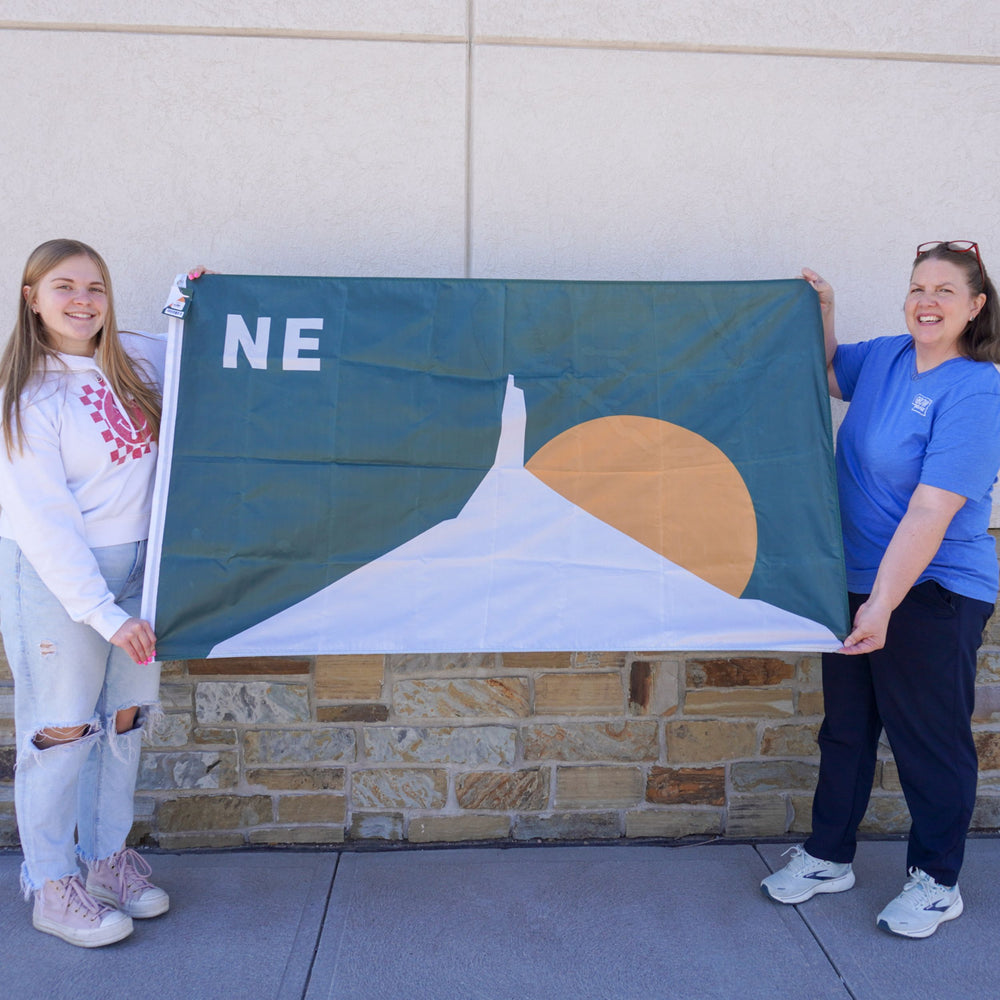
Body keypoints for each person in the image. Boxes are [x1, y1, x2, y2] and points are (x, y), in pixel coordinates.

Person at [760, 241, 1000, 937]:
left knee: (928, 738)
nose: (928, 300)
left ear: (975, 306)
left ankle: (937, 880)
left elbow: (932, 509)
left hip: (932, 589)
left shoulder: (977, 389)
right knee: (848, 730)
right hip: (858, 580)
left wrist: (886, 604)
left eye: (946, 291)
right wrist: (826, 312)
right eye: (918, 287)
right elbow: (832, 374)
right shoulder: (892, 357)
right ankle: (829, 856)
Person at [0, 239, 203, 947]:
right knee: (60, 731)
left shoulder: (136, 361)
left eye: (96, 287)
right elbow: (44, 524)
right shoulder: (28, 397)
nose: (82, 300)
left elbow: (199, 350)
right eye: (64, 287)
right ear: (32, 297)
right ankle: (51, 884)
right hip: (63, 581)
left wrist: (201, 302)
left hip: (141, 569)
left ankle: (104, 861)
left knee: (123, 721)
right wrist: (102, 614)